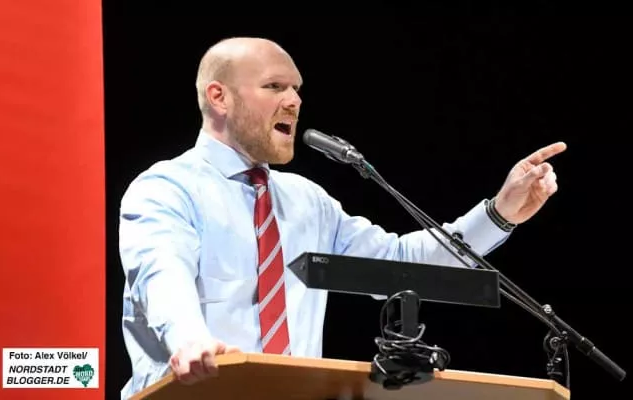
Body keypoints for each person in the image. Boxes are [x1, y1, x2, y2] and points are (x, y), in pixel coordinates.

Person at [118, 36, 566, 399]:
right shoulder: (166, 188)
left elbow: (399, 267)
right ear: (219, 97)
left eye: (297, 89)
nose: (294, 101)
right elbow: (162, 274)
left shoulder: (306, 201)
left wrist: (499, 213)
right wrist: (189, 339)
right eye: (274, 87)